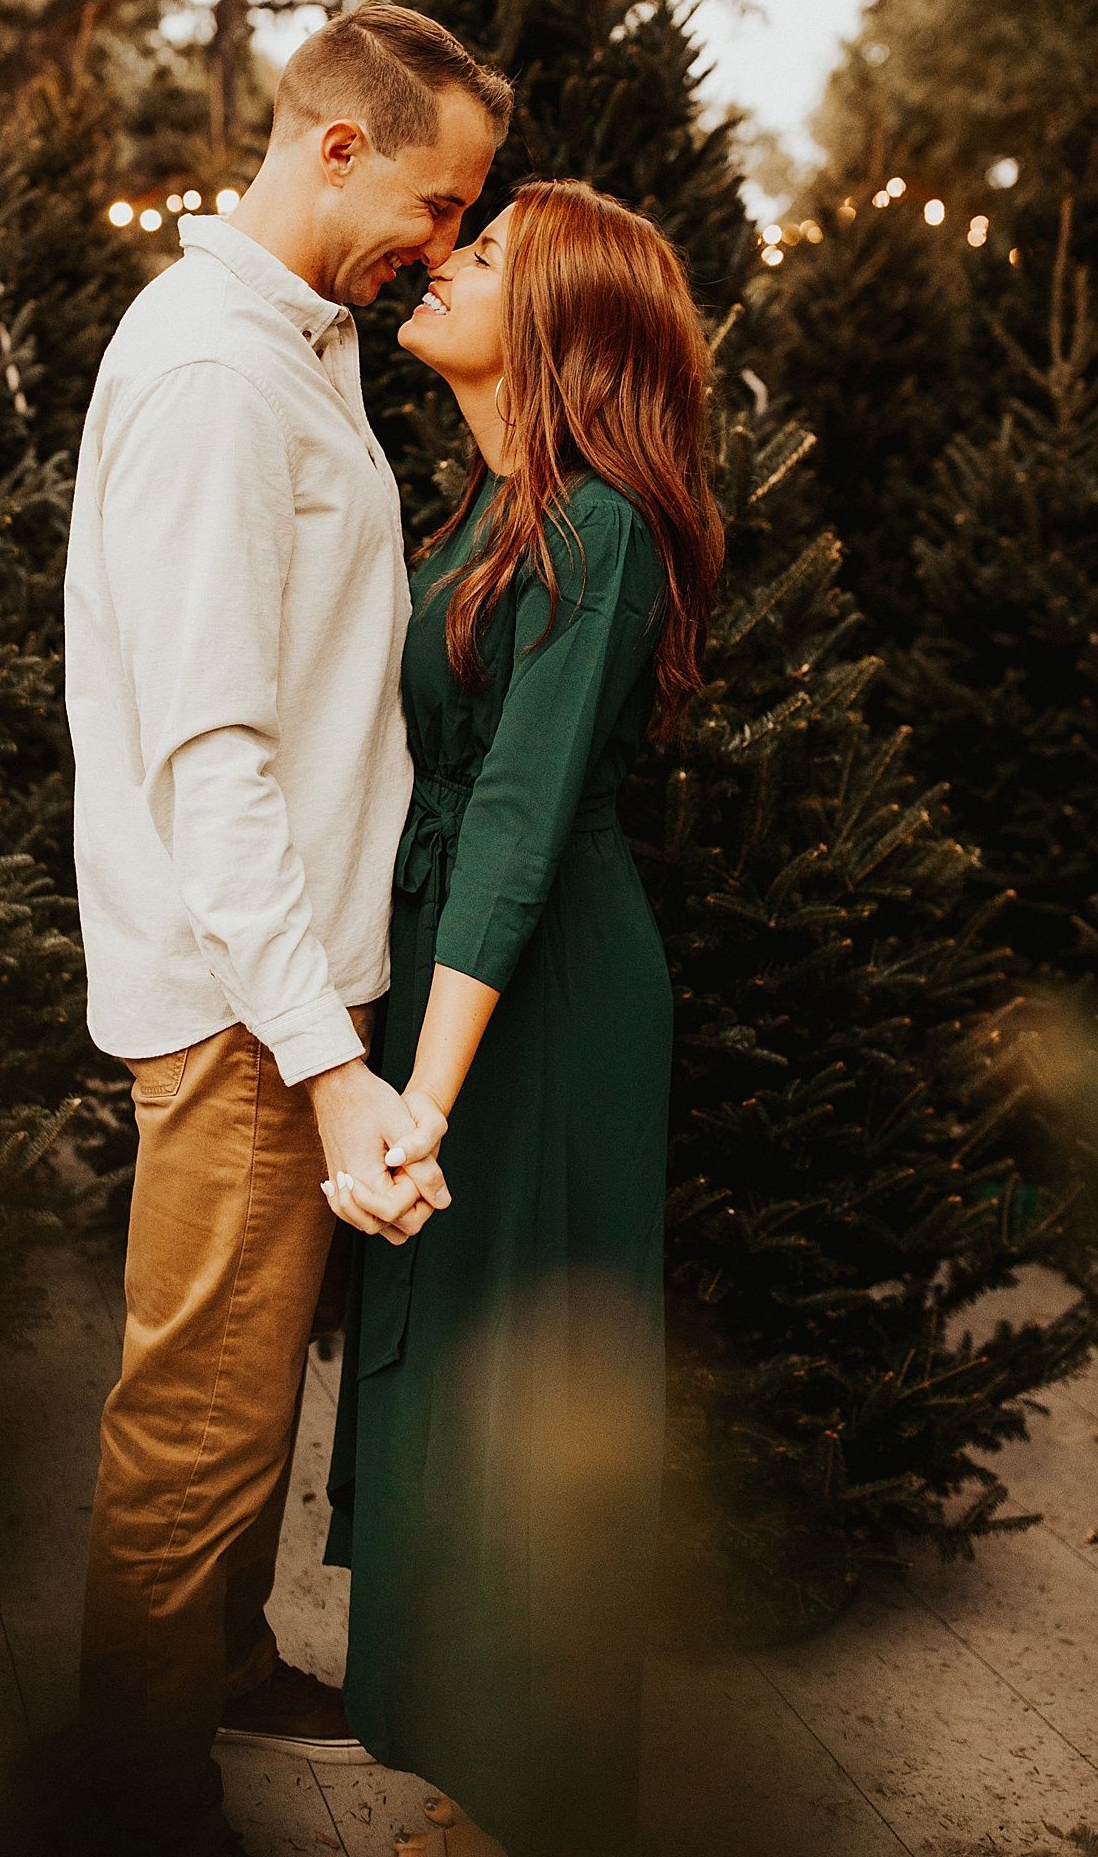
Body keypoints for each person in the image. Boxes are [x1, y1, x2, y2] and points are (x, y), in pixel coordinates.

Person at [60, 0, 513, 1857]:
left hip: (301, 984)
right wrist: (328, 1069)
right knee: (195, 1427)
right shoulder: (216, 382)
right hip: (254, 1010)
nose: (446, 233)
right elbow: (211, 762)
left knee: (243, 1407)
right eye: (439, 194)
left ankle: (227, 1665)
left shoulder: (297, 344)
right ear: (335, 150)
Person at [324, 180, 725, 1857]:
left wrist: (419, 1093)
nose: (438, 260)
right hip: (456, 986)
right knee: (442, 1386)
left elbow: (519, 820)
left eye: (481, 257)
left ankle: (537, 1805)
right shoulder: (481, 512)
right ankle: (470, 1774)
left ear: (556, 320)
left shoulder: (602, 525)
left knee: (515, 1394)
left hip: (539, 1006)